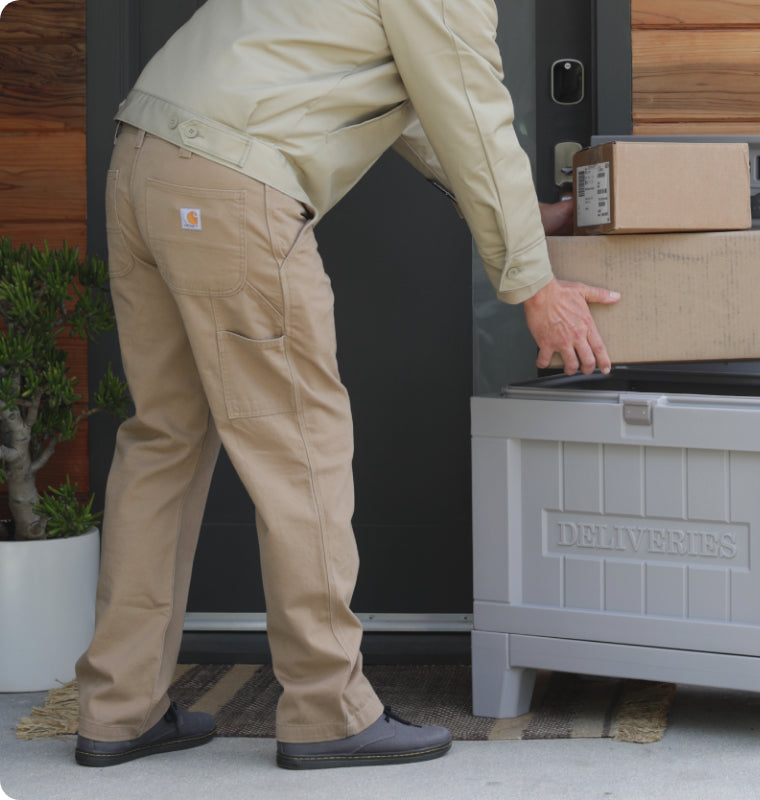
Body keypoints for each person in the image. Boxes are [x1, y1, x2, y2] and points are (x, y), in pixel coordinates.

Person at [74, 0, 619, 771]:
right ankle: (328, 708)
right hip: (233, 184)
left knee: (164, 437)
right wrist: (534, 283)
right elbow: (471, 113)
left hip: (145, 164)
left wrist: (520, 216)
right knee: (300, 448)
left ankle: (118, 705)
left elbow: (422, 110)